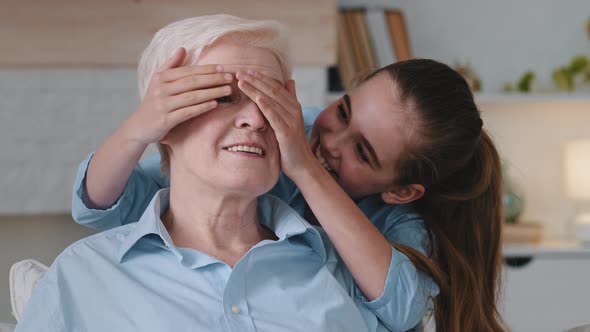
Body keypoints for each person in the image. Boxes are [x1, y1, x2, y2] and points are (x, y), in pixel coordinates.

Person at [72, 16, 506, 332]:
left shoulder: (396, 221)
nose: (332, 142)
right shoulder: (303, 124)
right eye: (344, 110)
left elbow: (403, 306)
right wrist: (141, 127)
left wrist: (302, 166)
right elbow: (106, 203)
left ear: (402, 191)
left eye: (363, 152)